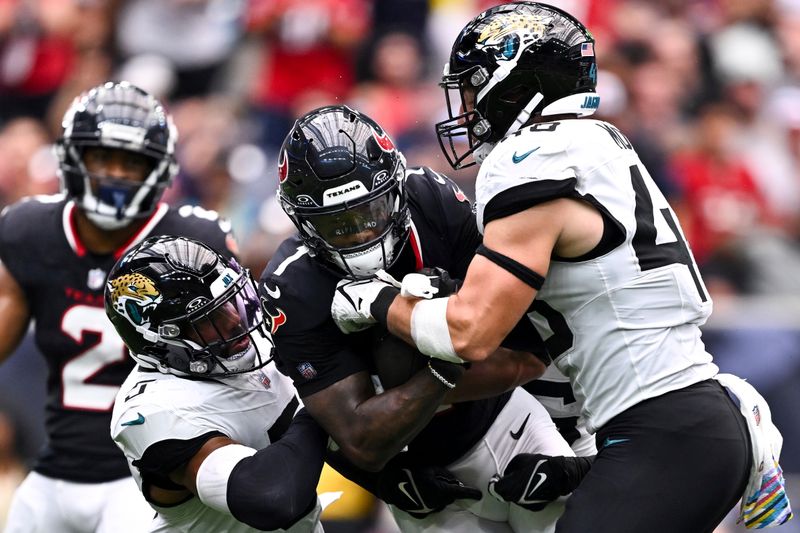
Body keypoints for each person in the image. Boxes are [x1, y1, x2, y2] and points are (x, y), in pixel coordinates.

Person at [328, 3, 790, 532]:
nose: (469, 109)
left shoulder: (529, 161)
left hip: (661, 428)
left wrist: (377, 300)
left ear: (515, 82)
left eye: (475, 89)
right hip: (665, 421)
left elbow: (468, 333)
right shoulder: (597, 142)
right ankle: (743, 415)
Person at [262, 104, 588, 533]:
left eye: (370, 212)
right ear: (303, 223)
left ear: (395, 191)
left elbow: (526, 355)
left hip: (510, 421)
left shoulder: (431, 199)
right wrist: (444, 355)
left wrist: (392, 312)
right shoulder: (294, 285)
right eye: (339, 224)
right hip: (417, 470)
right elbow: (361, 440)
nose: (361, 233)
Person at [0, 81, 237, 532]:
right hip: (52, 469)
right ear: (72, 157)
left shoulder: (190, 244)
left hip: (146, 478)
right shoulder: (29, 231)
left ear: (160, 169)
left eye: (131, 163)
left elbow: (237, 363)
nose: (113, 174)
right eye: (101, 157)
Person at [105, 235, 326, 532]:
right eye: (208, 318)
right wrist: (324, 399)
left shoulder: (242, 343)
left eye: (229, 301)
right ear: (163, 339)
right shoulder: (153, 410)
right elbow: (272, 498)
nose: (235, 319)